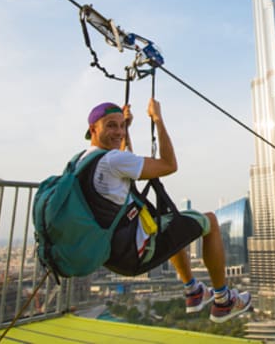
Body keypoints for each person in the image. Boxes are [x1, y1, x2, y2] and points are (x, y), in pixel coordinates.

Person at [79, 99, 251, 323]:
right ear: (93, 129)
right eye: (111, 125)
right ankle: (223, 300)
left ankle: (193, 290)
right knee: (210, 221)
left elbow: (122, 164)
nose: (118, 131)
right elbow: (169, 165)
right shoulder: (112, 161)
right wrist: (157, 119)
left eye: (121, 126)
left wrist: (126, 129)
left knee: (170, 222)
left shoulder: (83, 161)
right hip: (134, 255)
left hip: (111, 255)